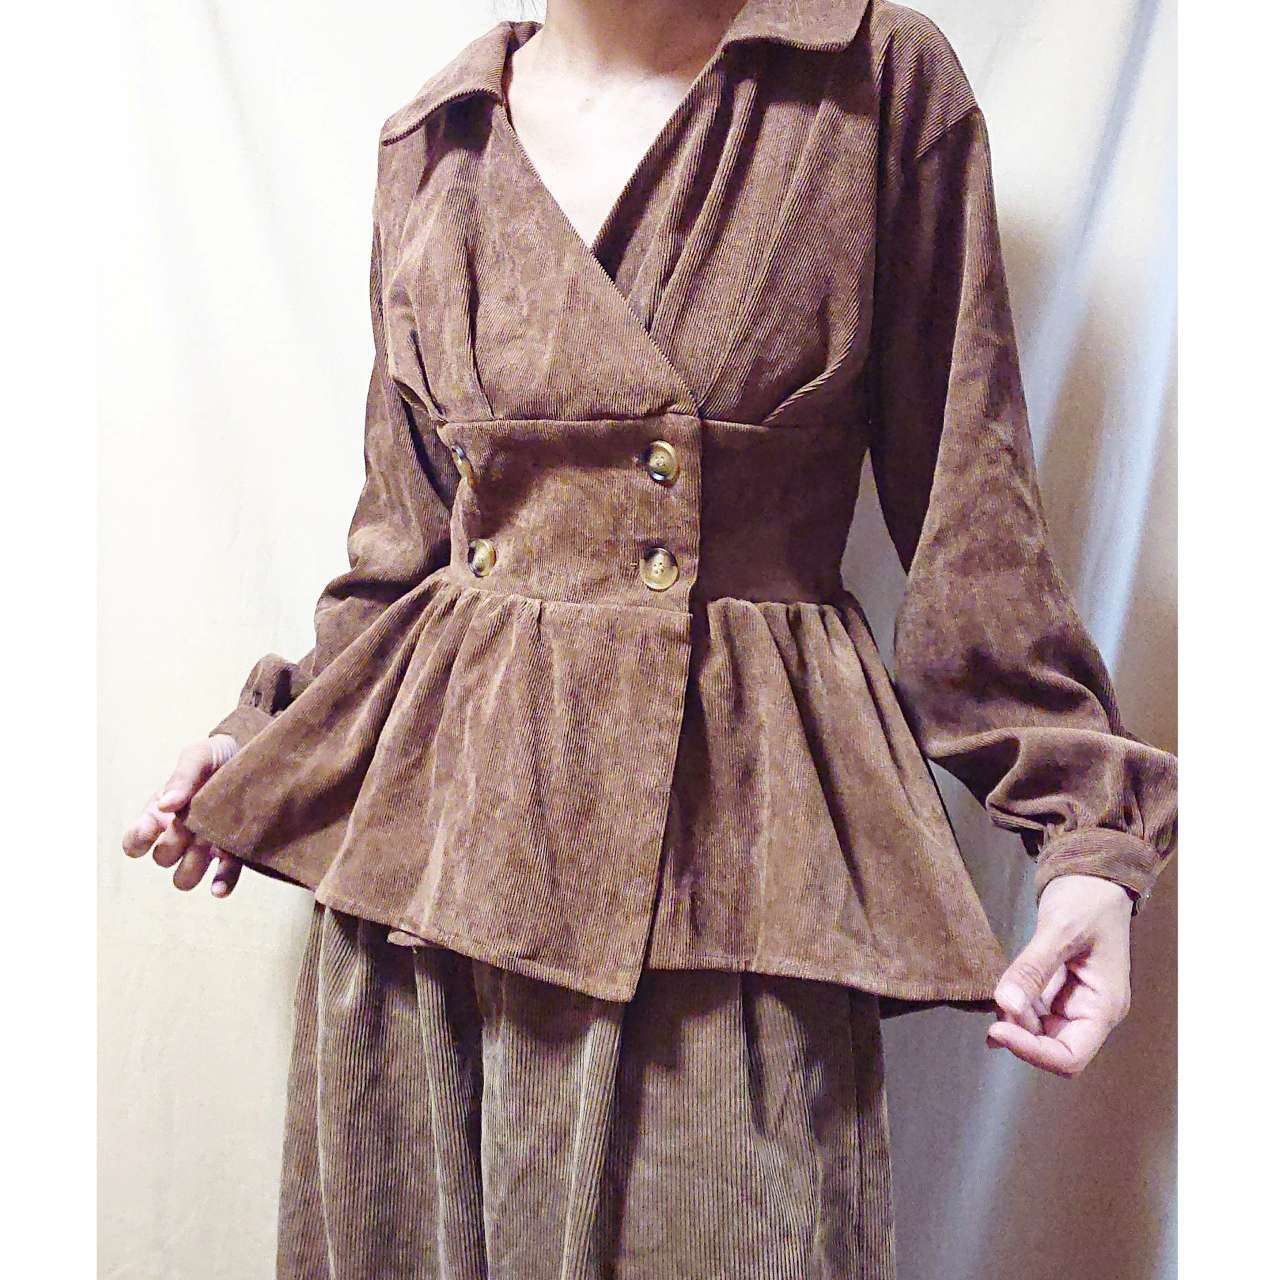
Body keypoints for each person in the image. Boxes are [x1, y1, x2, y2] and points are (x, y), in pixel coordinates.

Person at [121, 1, 1178, 1276]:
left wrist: (1083, 843)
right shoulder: (435, 140)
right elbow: (402, 550)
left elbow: (972, 509)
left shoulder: (869, 82)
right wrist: (266, 738)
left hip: (730, 861)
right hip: (428, 877)